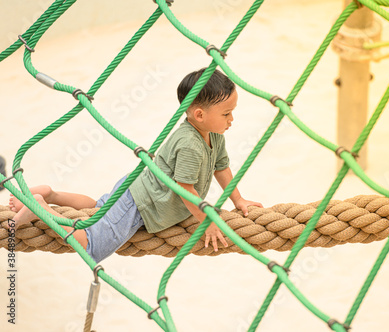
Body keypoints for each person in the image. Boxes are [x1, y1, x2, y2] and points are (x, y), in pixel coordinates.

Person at [9, 68, 262, 262]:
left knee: (98, 207)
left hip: (137, 190)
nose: (232, 119)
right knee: (92, 246)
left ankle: (51, 193)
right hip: (140, 204)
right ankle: (41, 207)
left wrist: (238, 200)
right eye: (226, 113)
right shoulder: (190, 145)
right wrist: (207, 221)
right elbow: (185, 189)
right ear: (199, 115)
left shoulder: (214, 134)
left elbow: (221, 166)